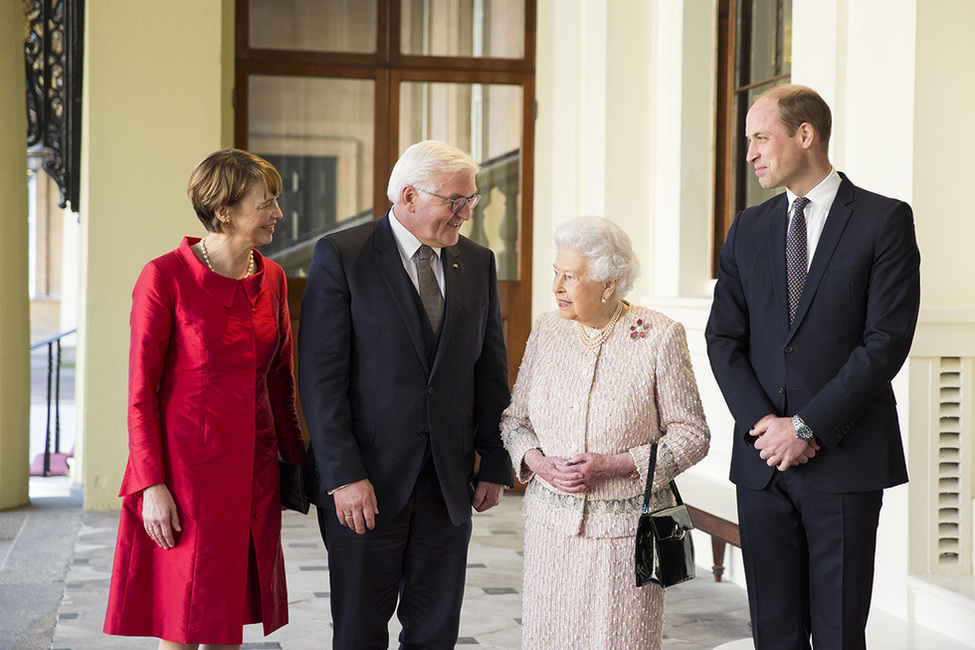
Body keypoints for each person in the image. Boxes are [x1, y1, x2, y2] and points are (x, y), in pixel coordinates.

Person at [705, 85, 921, 649]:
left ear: (806, 135)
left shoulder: (884, 220)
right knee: (772, 633)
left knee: (839, 634)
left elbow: (886, 341)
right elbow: (723, 338)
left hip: (845, 462)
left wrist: (806, 428)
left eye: (759, 138)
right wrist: (765, 429)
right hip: (761, 465)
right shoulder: (747, 228)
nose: (749, 153)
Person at [298, 139, 513, 649]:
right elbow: (321, 381)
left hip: (448, 482)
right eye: (454, 201)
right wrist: (344, 476)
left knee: (436, 633)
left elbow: (489, 369)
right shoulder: (343, 256)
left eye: (471, 201)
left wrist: (495, 460)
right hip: (365, 486)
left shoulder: (477, 262)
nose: (465, 213)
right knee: (359, 634)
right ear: (410, 196)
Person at [103, 149, 306, 650]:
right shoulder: (164, 276)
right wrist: (151, 484)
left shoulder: (273, 277)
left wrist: (300, 466)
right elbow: (139, 393)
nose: (278, 214)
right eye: (266, 204)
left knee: (227, 618)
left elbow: (281, 379)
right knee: (183, 618)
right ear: (225, 212)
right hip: (185, 475)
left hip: (253, 470)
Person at [500, 215, 710, 650]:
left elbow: (692, 434)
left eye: (570, 276)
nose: (556, 286)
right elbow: (514, 421)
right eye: (555, 273)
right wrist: (537, 462)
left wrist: (615, 465)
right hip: (549, 531)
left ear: (608, 284)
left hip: (624, 540)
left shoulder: (658, 336)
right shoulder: (547, 330)